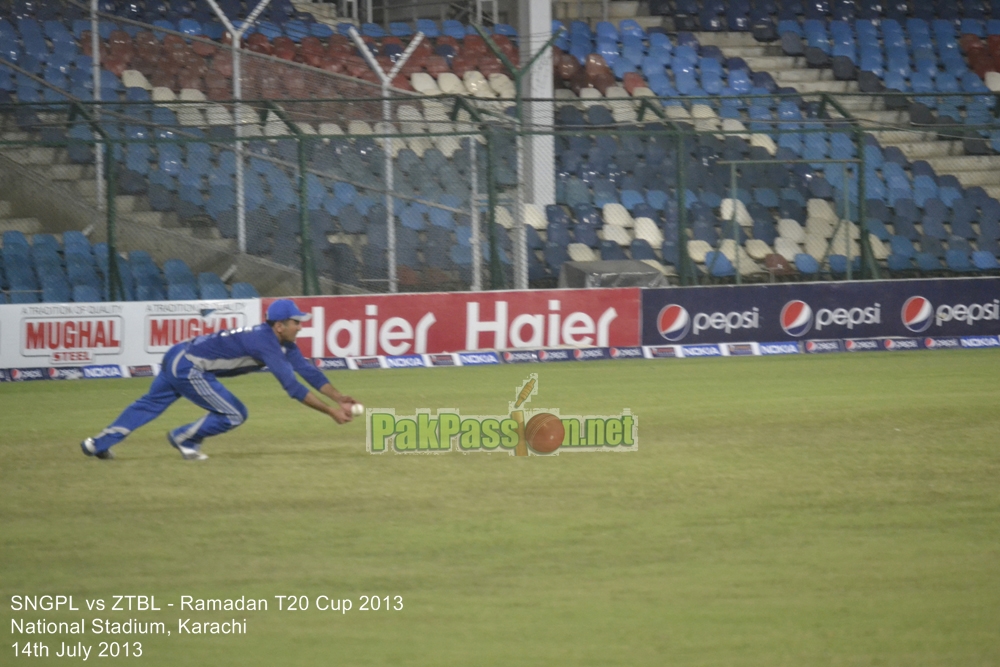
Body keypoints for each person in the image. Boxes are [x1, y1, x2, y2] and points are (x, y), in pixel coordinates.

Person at [81, 299, 355, 461]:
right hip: (189, 366)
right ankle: (184, 438)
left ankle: (97, 444)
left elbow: (308, 373)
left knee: (148, 405)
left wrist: (339, 398)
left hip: (178, 355)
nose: (301, 325)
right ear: (280, 326)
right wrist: (330, 411)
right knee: (234, 414)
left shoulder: (281, 342)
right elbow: (293, 388)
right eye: (297, 321)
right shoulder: (266, 342)